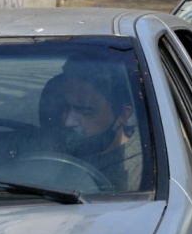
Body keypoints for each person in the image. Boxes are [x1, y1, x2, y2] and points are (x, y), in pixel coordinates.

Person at [56, 53, 143, 190]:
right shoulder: (54, 145)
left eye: (85, 111)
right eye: (65, 107)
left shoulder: (140, 173)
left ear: (123, 115)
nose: (68, 121)